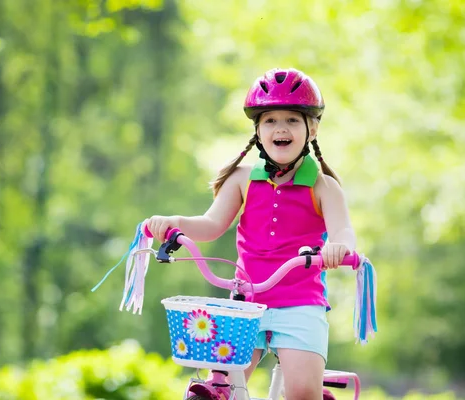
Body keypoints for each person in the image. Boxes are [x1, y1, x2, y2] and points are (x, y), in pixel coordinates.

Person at [146, 67, 356, 400]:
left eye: (292, 120)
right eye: (270, 120)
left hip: (300, 302)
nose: (280, 128)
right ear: (258, 131)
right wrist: (175, 222)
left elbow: (343, 229)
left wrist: (340, 248)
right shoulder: (243, 178)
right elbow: (211, 224)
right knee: (219, 388)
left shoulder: (323, 186)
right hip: (246, 302)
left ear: (311, 129)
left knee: (303, 392)